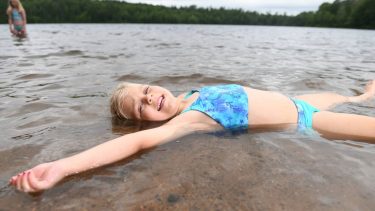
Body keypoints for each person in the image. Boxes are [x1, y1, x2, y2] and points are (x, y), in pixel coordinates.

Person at [9, 80, 375, 193]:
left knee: (353, 97)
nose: (150, 97)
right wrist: (61, 166)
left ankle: (364, 94)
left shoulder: (193, 94)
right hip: (306, 123)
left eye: (147, 89)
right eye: (142, 107)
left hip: (297, 101)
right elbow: (133, 142)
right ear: (146, 122)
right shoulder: (190, 119)